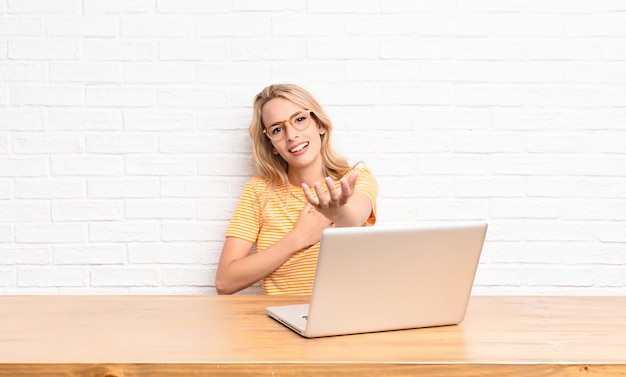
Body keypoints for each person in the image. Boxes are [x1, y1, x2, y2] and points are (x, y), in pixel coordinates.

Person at [215, 84, 378, 295]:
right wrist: (299, 237)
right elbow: (225, 282)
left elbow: (354, 218)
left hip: (345, 317)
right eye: (277, 129)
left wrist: (336, 213)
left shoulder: (355, 178)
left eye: (299, 119)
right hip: (279, 321)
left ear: (319, 124)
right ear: (272, 145)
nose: (291, 135)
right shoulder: (259, 191)